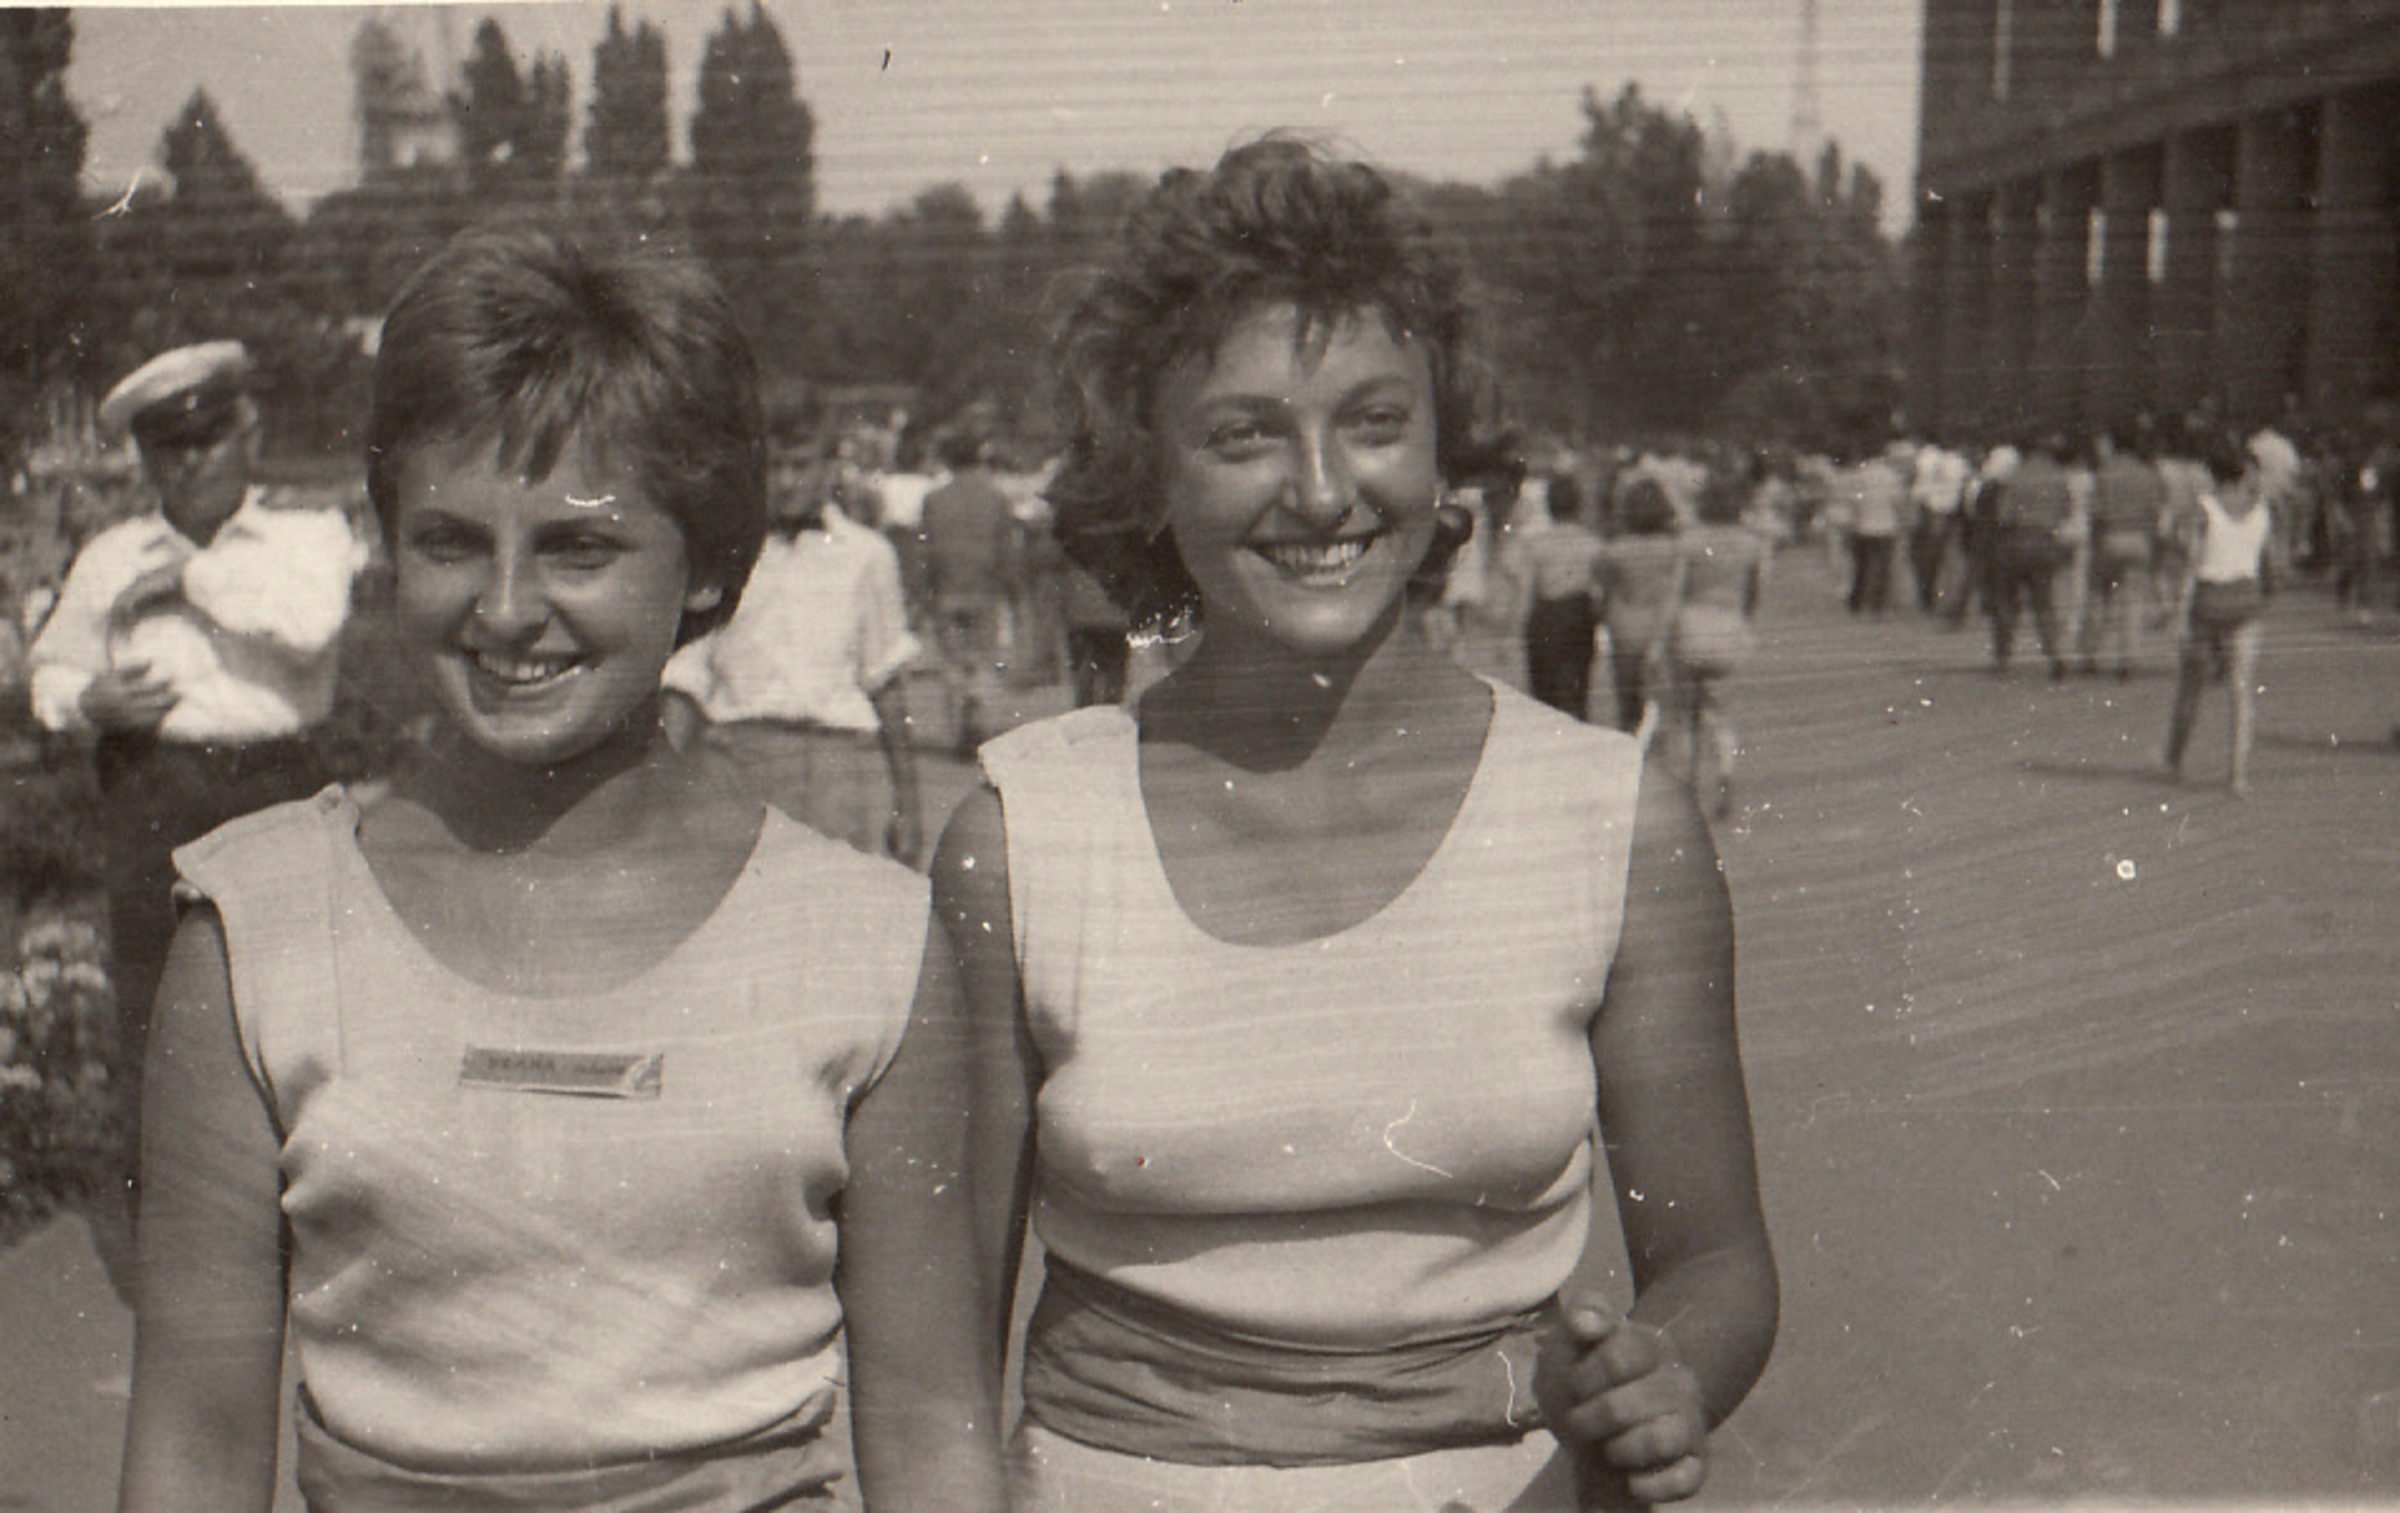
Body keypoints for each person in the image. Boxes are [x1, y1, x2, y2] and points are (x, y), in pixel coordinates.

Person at [934, 137, 1777, 1511]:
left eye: (1375, 422)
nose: (1324, 491)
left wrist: (1661, 1373)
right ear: (1147, 470)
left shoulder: (1613, 820)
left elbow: (1720, 1264)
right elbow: (939, 1350)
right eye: (1245, 435)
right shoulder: (1022, 837)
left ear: (1448, 453)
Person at [117, 225, 1001, 1512]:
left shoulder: (866, 942)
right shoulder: (254, 932)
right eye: (450, 541)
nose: (507, 609)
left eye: (580, 548)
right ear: (389, 544)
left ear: (707, 562)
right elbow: (194, 1447)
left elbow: (931, 1437)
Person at [26, 340, 367, 1296]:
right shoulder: (111, 557)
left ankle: (308, 1246)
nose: (187, 464)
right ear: (143, 458)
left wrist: (188, 583)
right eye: (164, 449)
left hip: (276, 781)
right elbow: (48, 670)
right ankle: (177, 1259)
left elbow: (308, 629)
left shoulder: (305, 536)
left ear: (247, 431)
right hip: (155, 789)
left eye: (206, 439)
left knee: (298, 1012)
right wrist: (87, 699)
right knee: (161, 1017)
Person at [663, 445, 926, 863]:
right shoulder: (723, 555)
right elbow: (685, 679)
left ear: (829, 467)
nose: (786, 482)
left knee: (827, 895)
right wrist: (660, 794)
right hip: (738, 758)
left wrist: (908, 807)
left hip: (833, 767)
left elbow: (886, 681)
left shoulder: (866, 554)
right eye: (775, 466)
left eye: (801, 464)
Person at [2162, 431, 2282, 799]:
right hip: (2245, 603)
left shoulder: (2205, 509)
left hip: (2207, 603)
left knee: (2191, 685)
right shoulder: (2261, 511)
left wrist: (2178, 615)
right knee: (2241, 691)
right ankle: (2237, 774)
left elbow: (2192, 565)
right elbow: (2270, 562)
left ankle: (2175, 758)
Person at [1670, 482, 1769, 819]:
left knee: (1685, 713)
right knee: (1721, 713)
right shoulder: (1751, 544)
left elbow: (1677, 590)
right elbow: (1754, 593)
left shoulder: (1689, 542)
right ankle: (1725, 771)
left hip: (1692, 625)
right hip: (1729, 627)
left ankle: (1688, 782)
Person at [916, 433, 1018, 755]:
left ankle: (962, 726)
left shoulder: (934, 500)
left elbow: (926, 553)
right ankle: (979, 727)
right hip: (984, 590)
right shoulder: (996, 498)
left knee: (953, 663)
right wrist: (1013, 593)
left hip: (947, 590)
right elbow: (1006, 552)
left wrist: (923, 594)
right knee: (983, 660)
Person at [1507, 471, 1606, 720]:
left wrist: (1515, 630)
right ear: (1579, 505)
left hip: (1546, 615)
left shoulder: (1536, 544)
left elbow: (1526, 591)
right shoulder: (1593, 543)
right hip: (1578, 614)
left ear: (1549, 506)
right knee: (1577, 687)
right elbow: (1599, 591)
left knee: (1544, 692)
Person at [1597, 477, 1687, 737]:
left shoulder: (1614, 551)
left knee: (1627, 702)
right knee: (1662, 700)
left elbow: (1606, 591)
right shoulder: (1674, 549)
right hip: (1660, 625)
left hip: (1625, 625)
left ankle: (1630, 736)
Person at [1986, 431, 2077, 679]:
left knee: (2007, 602)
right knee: (2044, 602)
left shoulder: (2014, 477)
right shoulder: (2058, 476)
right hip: (2045, 542)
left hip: (2015, 542)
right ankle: (2054, 654)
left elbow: (2003, 516)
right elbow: (2067, 510)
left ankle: (2003, 658)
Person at [2079, 425, 2167, 678]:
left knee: (2098, 598)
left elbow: (2095, 513)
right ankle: (2128, 658)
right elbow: (2156, 512)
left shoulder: (2103, 473)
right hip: (2139, 540)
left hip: (2110, 538)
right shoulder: (2148, 474)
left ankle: (2089, 654)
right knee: (2133, 602)